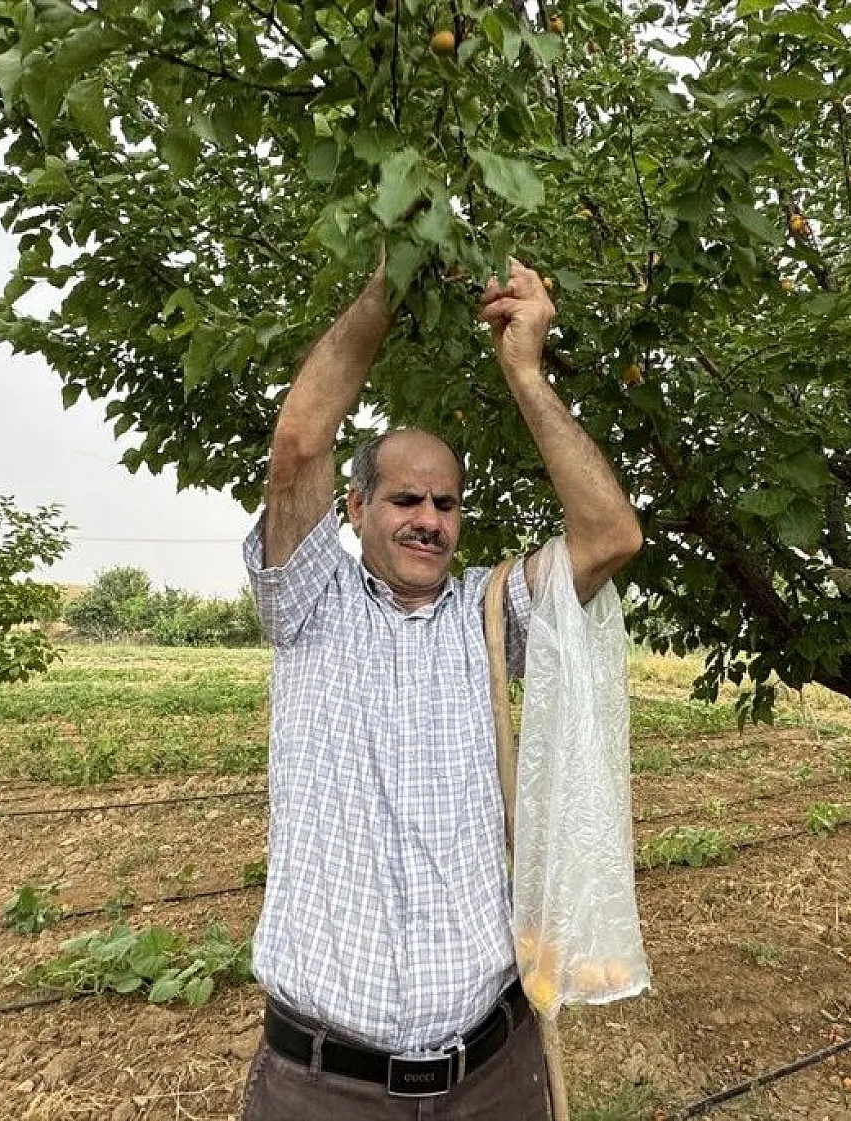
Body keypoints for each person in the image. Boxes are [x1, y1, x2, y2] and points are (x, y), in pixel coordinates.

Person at [238, 255, 643, 1120]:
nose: (429, 519)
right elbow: (299, 443)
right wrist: (391, 280)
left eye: (447, 504)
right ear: (355, 509)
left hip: (490, 1073)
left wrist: (524, 371)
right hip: (326, 1087)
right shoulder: (310, 603)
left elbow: (610, 535)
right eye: (405, 499)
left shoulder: (490, 613)